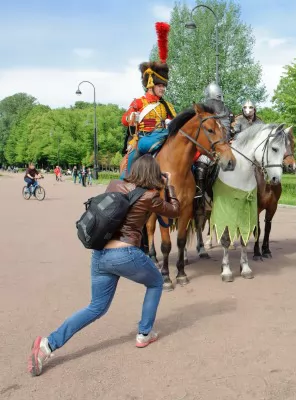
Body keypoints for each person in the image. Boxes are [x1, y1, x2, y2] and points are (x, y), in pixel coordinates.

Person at [28, 155, 180, 377]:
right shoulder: (149, 196)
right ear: (153, 174)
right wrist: (171, 186)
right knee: (156, 282)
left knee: (96, 307)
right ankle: (144, 333)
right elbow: (174, 211)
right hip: (124, 253)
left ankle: (47, 345)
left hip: (100, 254)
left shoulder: (114, 185)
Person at [121, 23, 177, 177]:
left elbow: (175, 122)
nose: (163, 89)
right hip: (144, 138)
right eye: (160, 85)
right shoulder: (139, 102)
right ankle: (124, 182)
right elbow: (124, 120)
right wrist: (132, 118)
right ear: (150, 85)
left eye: (164, 86)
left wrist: (171, 124)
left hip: (164, 137)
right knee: (130, 161)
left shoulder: (166, 106)